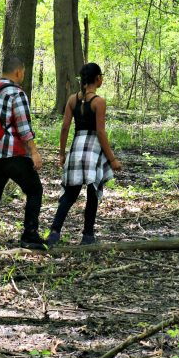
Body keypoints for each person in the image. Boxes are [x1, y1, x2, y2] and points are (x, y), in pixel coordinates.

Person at [47, 62, 122, 245]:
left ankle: (54, 233)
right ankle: (88, 236)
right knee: (92, 193)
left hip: (76, 149)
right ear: (98, 78)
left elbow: (65, 128)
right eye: (101, 77)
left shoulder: (72, 99)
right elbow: (100, 132)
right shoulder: (98, 102)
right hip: (93, 150)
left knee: (69, 194)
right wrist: (112, 159)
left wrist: (62, 154)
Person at [0, 55, 46, 251]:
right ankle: (29, 235)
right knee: (35, 190)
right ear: (18, 72)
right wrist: (34, 152)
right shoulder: (17, 94)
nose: (23, 75)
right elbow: (24, 127)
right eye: (23, 72)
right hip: (12, 155)